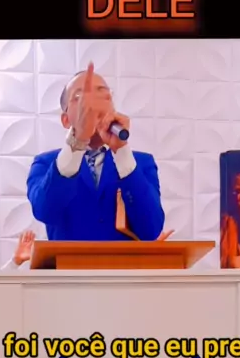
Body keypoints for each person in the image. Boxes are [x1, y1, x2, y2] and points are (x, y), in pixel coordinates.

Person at [26, 63, 165, 241]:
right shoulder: (46, 163)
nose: (93, 105)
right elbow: (45, 211)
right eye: (80, 97)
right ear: (66, 120)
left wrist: (122, 151)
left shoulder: (141, 163)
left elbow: (151, 229)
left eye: (102, 95)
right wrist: (78, 140)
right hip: (67, 260)